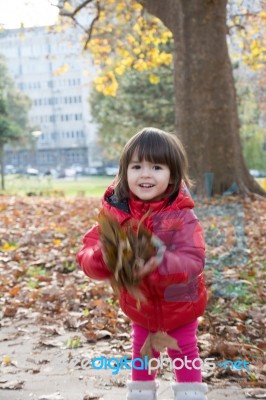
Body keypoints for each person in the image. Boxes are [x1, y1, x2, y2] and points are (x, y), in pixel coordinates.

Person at [77, 127, 208, 400]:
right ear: (125, 172)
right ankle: (141, 393)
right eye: (137, 166)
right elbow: (87, 251)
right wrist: (102, 257)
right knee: (142, 350)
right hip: (141, 307)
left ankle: (190, 394)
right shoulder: (116, 213)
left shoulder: (181, 216)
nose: (145, 174)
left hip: (180, 305)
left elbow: (193, 259)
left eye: (157, 167)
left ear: (172, 175)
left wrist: (159, 262)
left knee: (184, 350)